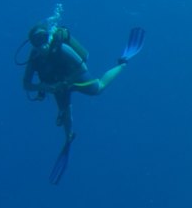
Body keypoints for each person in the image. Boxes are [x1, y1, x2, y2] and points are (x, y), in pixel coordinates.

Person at [22, 22, 144, 183]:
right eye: (36, 41)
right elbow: (26, 84)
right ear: (32, 43)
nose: (41, 44)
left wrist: (66, 83)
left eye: (43, 38)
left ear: (49, 36)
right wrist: (43, 86)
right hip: (56, 85)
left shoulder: (62, 49)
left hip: (74, 77)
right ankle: (69, 136)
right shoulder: (34, 58)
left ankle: (123, 63)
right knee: (65, 111)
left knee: (98, 88)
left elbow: (82, 68)